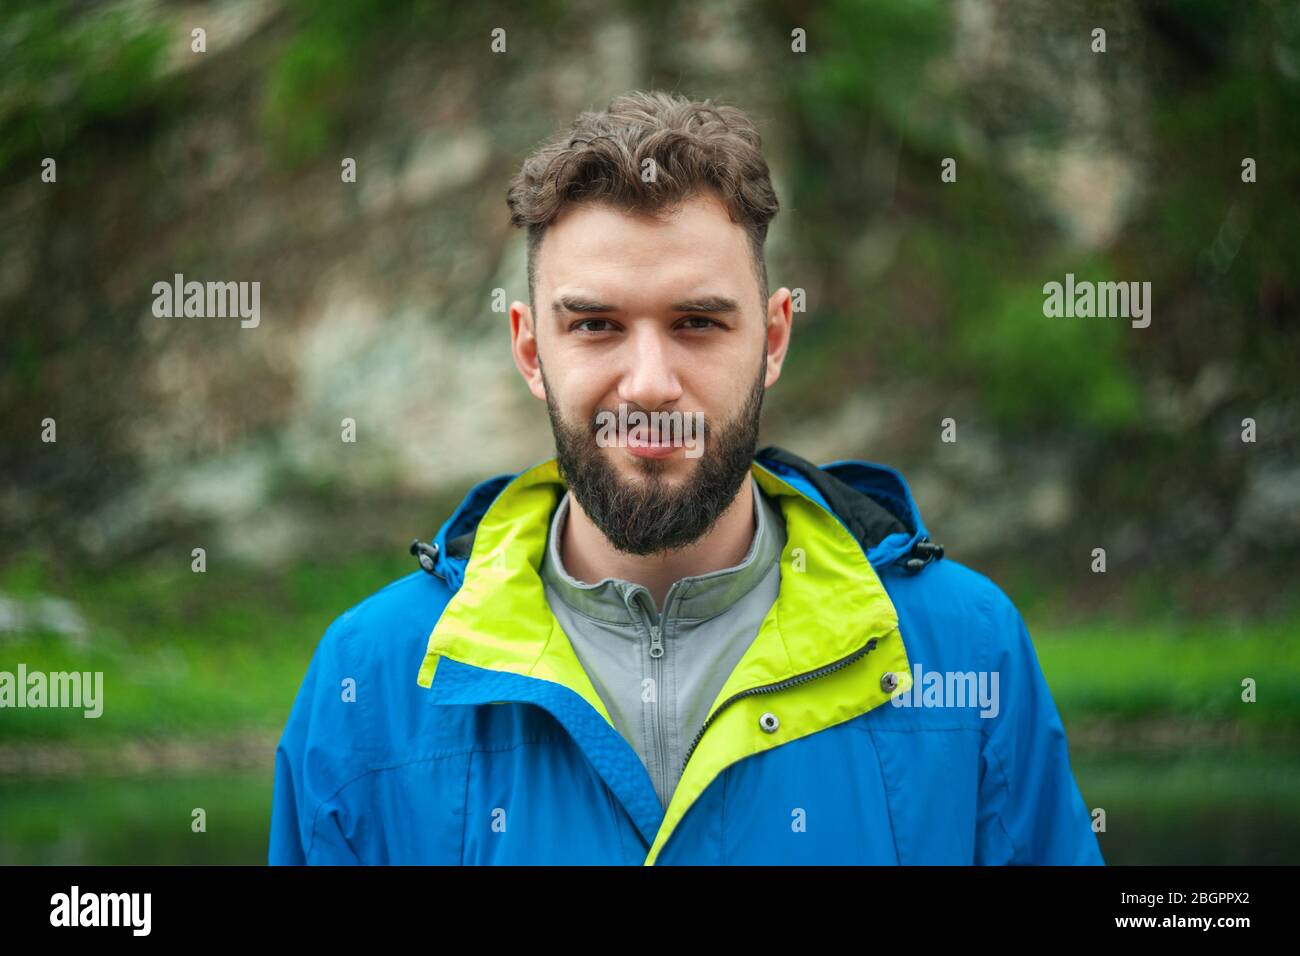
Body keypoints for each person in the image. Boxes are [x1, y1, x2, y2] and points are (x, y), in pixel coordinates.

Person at [269, 90, 1104, 865]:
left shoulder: (967, 648)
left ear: (774, 339)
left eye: (697, 323)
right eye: (595, 324)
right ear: (530, 349)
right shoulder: (368, 681)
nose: (648, 383)